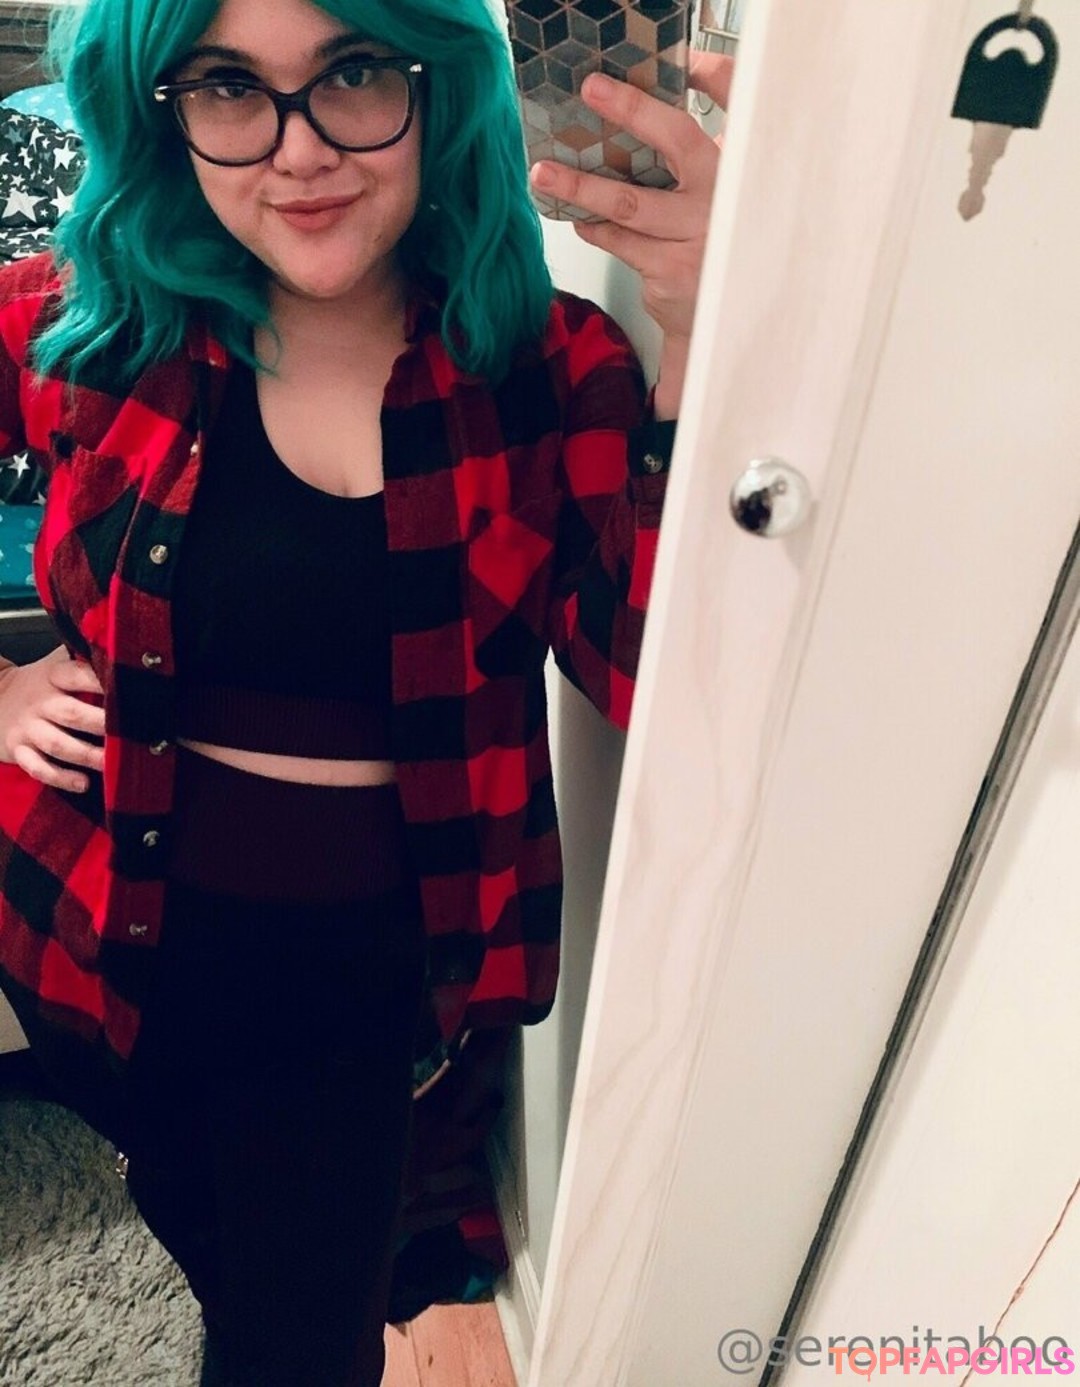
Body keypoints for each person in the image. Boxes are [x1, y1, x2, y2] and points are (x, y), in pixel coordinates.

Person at [0, 0, 732, 1382]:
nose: (298, 152)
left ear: (437, 81)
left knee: (301, 1347)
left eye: (348, 74)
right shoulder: (85, 320)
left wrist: (703, 329)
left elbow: (661, 679)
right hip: (87, 923)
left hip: (352, 985)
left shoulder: (547, 371)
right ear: (161, 109)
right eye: (228, 86)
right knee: (197, 1211)